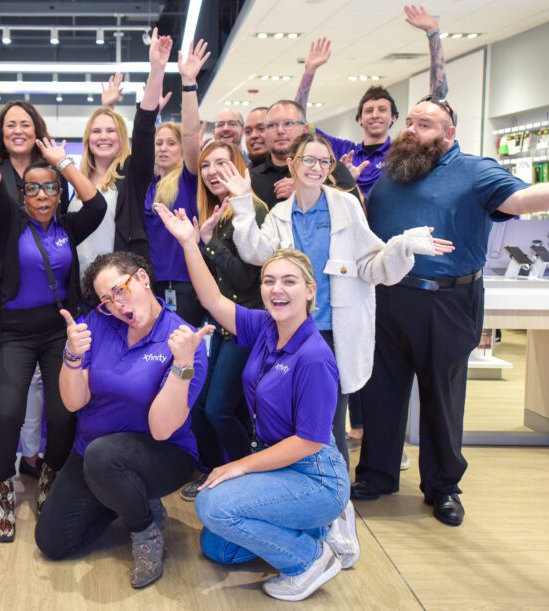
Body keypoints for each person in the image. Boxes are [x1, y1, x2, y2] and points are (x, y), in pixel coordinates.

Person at [354, 97, 549, 526]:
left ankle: (442, 487)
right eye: (410, 121)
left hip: (446, 301)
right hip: (388, 298)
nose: (411, 130)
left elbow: (522, 198)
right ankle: (377, 475)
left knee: (442, 397)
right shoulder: (395, 170)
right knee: (381, 392)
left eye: (424, 124)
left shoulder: (476, 171)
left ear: (449, 133)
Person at [156, 201, 353, 602]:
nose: (277, 290)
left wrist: (237, 467)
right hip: (279, 463)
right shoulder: (265, 325)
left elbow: (309, 441)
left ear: (310, 290)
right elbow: (212, 299)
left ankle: (311, 558)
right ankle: (318, 529)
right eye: (269, 281)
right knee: (218, 546)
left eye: (289, 282)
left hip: (314, 472)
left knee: (214, 506)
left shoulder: (314, 357)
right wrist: (189, 243)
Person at [226, 132, 453, 464]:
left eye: (323, 161)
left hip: (331, 333)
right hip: (291, 334)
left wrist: (403, 246)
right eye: (308, 159)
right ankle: (296, 494)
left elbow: (372, 266)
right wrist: (243, 203)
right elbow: (255, 252)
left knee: (328, 426)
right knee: (290, 422)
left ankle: (335, 501)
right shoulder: (280, 214)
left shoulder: (345, 206)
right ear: (291, 164)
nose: (316, 167)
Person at [0, 78, 107, 542]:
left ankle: (50, 477)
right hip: (15, 332)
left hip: (59, 331)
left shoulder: (69, 226)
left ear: (59, 194)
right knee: (7, 411)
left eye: (50, 190)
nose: (42, 197)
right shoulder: (8, 223)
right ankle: (2, 484)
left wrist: (61, 162)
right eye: (33, 190)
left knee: (63, 413)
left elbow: (97, 202)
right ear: (22, 195)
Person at [35, 251, 210, 589]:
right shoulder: (100, 324)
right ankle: (127, 495)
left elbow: (162, 428)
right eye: (105, 300)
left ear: (143, 278)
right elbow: (74, 401)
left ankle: (143, 528)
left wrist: (180, 365)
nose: (116, 306)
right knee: (52, 543)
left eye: (120, 291)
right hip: (92, 454)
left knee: (105, 456)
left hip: (162, 453)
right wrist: (71, 355)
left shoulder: (183, 340)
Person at [179, 140, 269, 500]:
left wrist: (208, 243)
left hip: (246, 327)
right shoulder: (219, 212)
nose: (213, 172)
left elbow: (247, 279)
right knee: (204, 407)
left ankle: (247, 474)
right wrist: (205, 240)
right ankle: (214, 472)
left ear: (239, 167)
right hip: (224, 328)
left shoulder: (252, 210)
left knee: (217, 410)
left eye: (222, 163)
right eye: (206, 166)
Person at [300, 5, 449, 197]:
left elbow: (438, 96)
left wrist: (433, 33)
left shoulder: (403, 149)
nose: (375, 115)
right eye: (369, 111)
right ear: (359, 119)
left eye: (382, 110)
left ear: (394, 118)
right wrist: (309, 72)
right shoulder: (343, 149)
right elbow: (298, 124)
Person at [71, 29, 171, 277]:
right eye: (96, 131)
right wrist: (108, 108)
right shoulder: (77, 181)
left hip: (121, 281)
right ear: (87, 139)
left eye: (111, 131)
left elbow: (145, 127)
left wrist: (157, 69)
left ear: (122, 137)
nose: (103, 137)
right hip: (80, 282)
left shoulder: (131, 174)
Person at [141, 39, 210, 327]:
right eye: (159, 143)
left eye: (172, 143)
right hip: (153, 286)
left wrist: (189, 82)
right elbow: (141, 130)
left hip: (186, 285)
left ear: (182, 149)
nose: (164, 148)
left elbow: (192, 134)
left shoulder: (188, 179)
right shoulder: (150, 184)